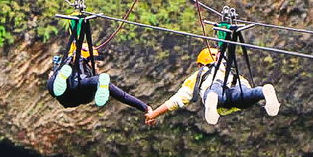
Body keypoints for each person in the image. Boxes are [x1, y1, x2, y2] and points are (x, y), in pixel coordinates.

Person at [145, 47, 279, 126]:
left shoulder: (199, 75)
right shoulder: (229, 70)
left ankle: (212, 99)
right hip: (236, 86)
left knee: (215, 91)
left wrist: (154, 114)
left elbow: (177, 100)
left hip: (214, 89)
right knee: (245, 97)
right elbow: (244, 84)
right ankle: (262, 92)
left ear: (201, 63)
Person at [47, 43, 153, 116]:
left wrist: (55, 75)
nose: (96, 66)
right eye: (95, 63)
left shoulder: (66, 66)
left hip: (63, 94)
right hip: (83, 94)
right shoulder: (91, 75)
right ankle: (99, 84)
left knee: (54, 79)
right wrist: (145, 107)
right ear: (89, 61)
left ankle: (58, 80)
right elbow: (122, 95)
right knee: (96, 81)